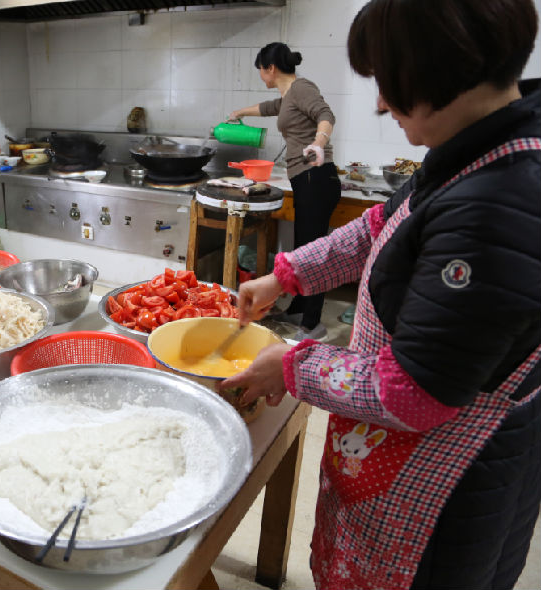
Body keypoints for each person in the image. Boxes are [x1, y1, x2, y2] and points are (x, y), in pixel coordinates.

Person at [217, 1, 541, 588]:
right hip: (385, 455)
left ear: (437, 69)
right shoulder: (468, 149)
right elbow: (375, 230)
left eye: (388, 81)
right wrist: (285, 275)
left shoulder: (500, 202)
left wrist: (291, 366)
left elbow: (414, 392)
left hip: (441, 489)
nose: (380, 103)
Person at [229, 42, 341, 341]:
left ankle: (312, 325)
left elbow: (326, 114)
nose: (261, 76)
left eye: (260, 71)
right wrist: (239, 112)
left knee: (314, 254)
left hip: (316, 177)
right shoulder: (288, 96)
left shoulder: (302, 88)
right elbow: (268, 108)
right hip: (306, 179)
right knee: (304, 250)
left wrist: (318, 142)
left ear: (271, 68)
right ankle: (298, 308)